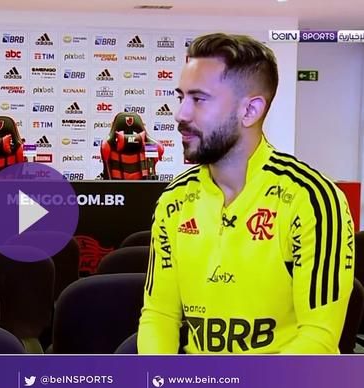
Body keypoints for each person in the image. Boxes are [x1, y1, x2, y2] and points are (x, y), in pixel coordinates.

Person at [137, 33, 354, 354]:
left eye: (199, 99)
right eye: (181, 97)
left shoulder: (312, 199)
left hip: (286, 384)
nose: (180, 114)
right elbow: (159, 315)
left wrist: (240, 386)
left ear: (250, 110)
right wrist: (158, 381)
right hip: (195, 383)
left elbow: (318, 337)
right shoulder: (174, 201)